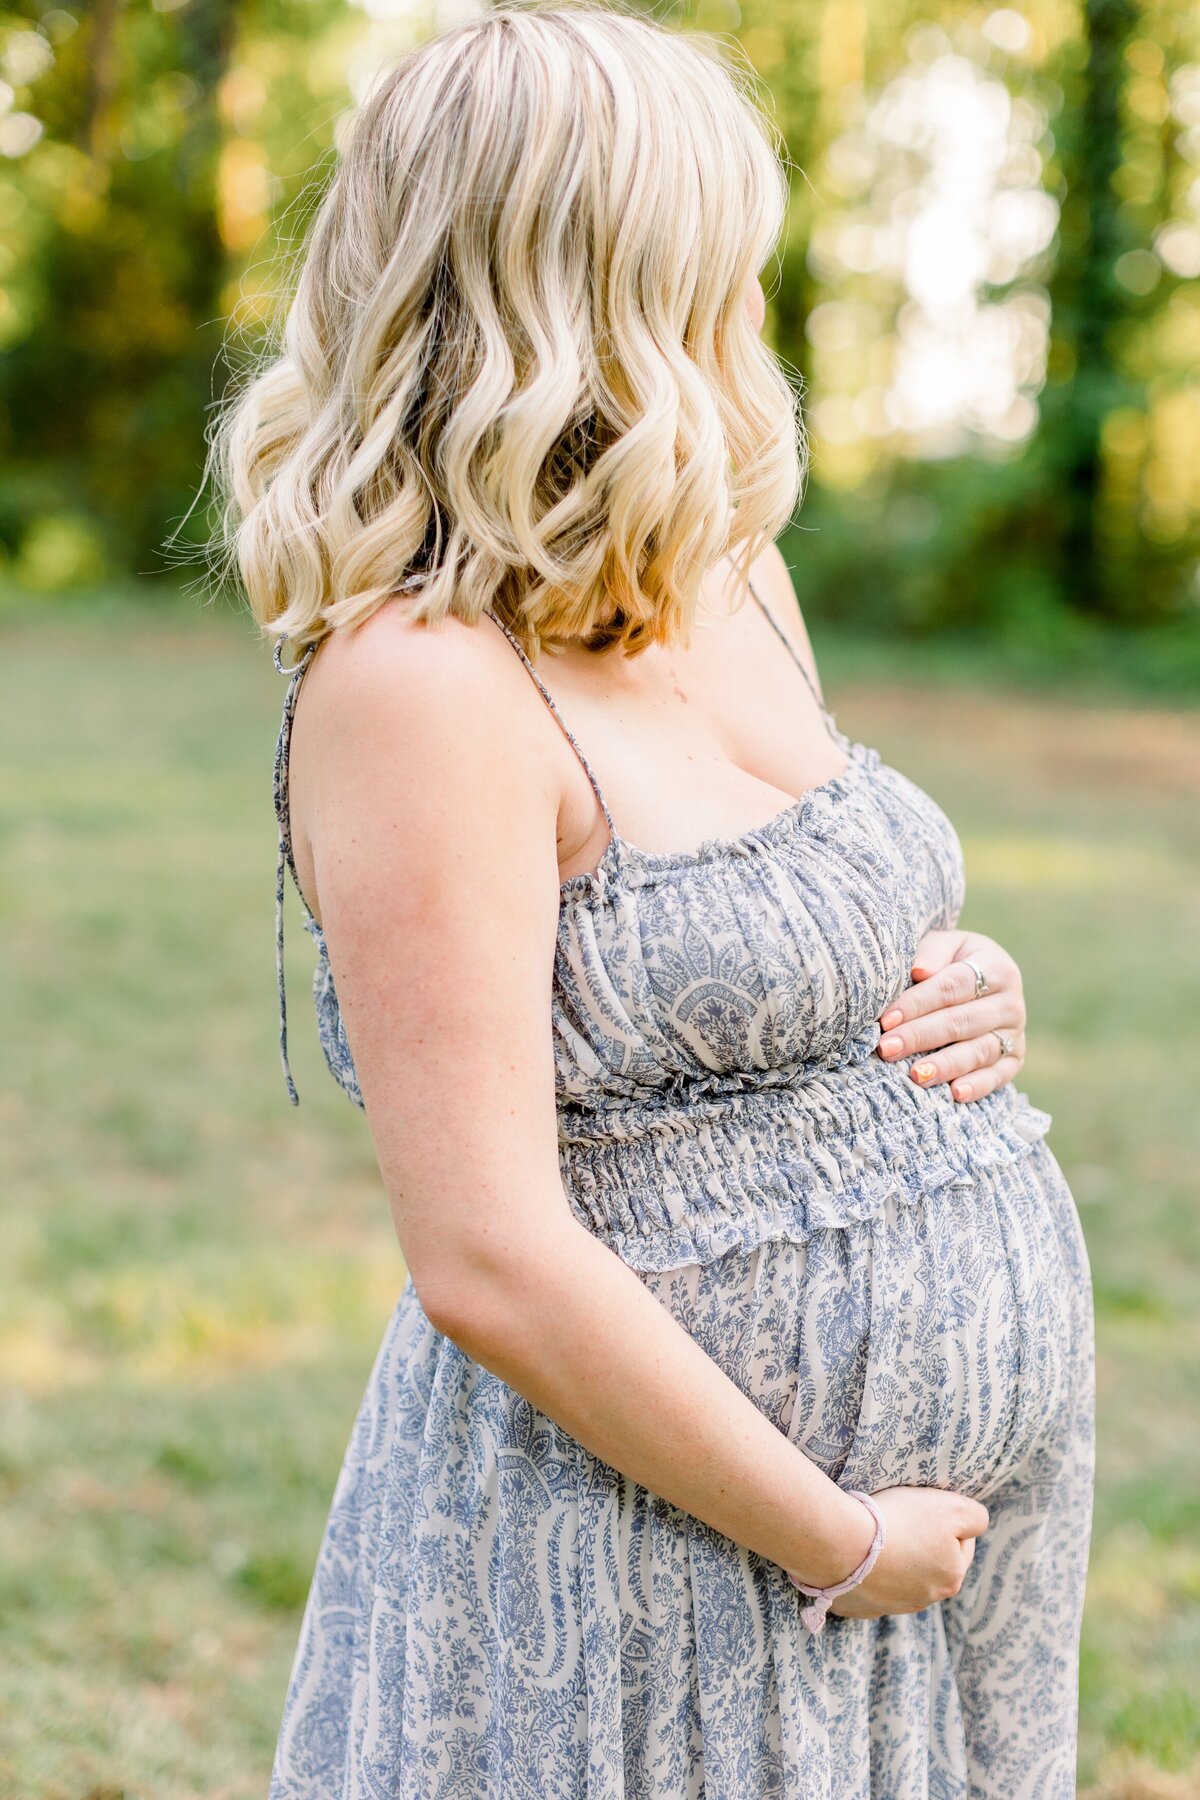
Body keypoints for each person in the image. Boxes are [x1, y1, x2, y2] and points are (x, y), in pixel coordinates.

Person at [207, 6, 1095, 1794]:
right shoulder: (421, 686)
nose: (750, 294)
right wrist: (832, 1538)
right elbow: (488, 1257)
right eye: (720, 253)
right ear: (600, 279)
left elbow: (795, 925)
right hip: (663, 1562)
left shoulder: (728, 565)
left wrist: (957, 979)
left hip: (926, 1551)